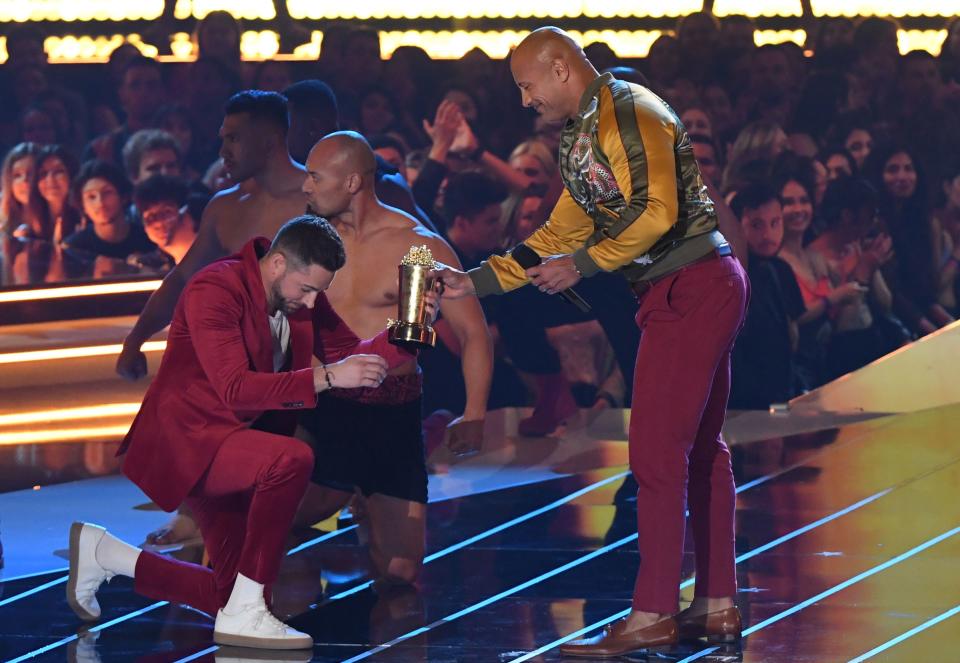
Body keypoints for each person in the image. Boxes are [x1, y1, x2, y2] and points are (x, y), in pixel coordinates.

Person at [432, 27, 748, 657]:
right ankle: (715, 605)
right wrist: (467, 284)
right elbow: (552, 236)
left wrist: (587, 264)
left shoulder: (629, 108)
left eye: (527, 85)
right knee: (701, 453)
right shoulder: (580, 135)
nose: (524, 101)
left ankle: (653, 613)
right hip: (681, 286)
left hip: (692, 284)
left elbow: (656, 211)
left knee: (657, 455)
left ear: (559, 69)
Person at [68, 216, 424, 649]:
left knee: (228, 596)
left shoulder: (301, 299)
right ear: (277, 264)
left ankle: (104, 553)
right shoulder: (213, 290)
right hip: (191, 441)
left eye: (319, 293)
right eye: (307, 290)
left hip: (238, 442)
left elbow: (351, 353)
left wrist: (412, 325)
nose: (312, 303)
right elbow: (234, 389)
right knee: (291, 458)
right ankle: (249, 609)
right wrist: (328, 378)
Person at [295, 131, 493, 585]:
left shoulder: (416, 247)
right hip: (323, 408)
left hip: (392, 414)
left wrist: (475, 412)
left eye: (313, 176)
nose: (304, 186)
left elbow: (472, 331)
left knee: (400, 571)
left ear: (351, 183)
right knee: (289, 517)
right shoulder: (307, 241)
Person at [116, 91, 309, 545]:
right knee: (187, 380)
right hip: (239, 361)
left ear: (271, 140)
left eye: (235, 138)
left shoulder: (317, 197)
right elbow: (184, 276)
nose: (223, 150)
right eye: (222, 138)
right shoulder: (225, 205)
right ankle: (197, 513)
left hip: (307, 354)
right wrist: (136, 337)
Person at [728, 184, 805, 409]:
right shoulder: (731, 275)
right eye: (756, 225)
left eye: (775, 223)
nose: (767, 235)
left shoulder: (781, 269)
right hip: (745, 402)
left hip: (783, 391)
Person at [63, 160, 155, 261]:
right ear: (83, 205)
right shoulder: (74, 248)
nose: (100, 202)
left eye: (107, 193)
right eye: (91, 197)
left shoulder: (148, 238)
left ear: (123, 197)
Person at [134, 174, 198, 265]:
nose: (159, 223)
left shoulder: (216, 259)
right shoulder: (149, 268)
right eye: (151, 217)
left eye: (167, 213)